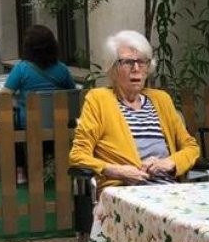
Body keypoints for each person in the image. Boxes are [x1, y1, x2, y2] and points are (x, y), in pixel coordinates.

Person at [69, 30, 199, 191]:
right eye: (128, 62)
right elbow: (78, 156)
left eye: (142, 62)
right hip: (122, 192)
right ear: (113, 68)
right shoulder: (99, 100)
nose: (136, 68)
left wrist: (170, 163)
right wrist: (117, 171)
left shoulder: (161, 99)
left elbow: (191, 148)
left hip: (168, 190)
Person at [1, 25, 76, 184]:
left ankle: (20, 170)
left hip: (28, 122)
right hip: (57, 122)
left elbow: (4, 94)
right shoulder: (61, 69)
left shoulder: (21, 68)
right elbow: (71, 93)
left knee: (10, 126)